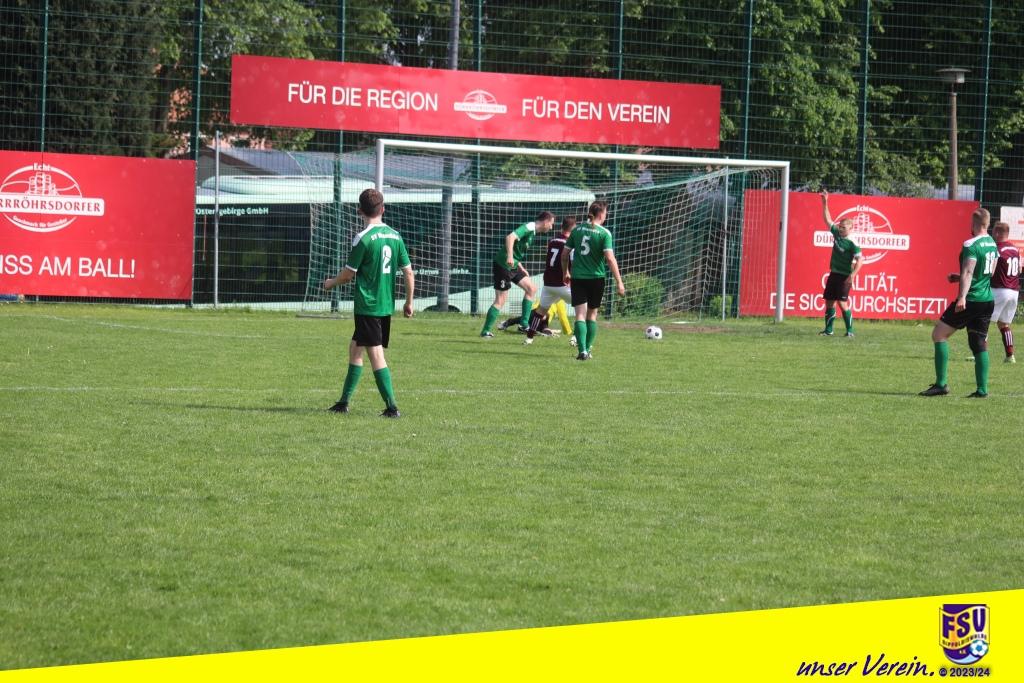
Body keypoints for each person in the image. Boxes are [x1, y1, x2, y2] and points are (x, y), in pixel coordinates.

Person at [323, 188, 414, 417]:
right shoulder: (396, 236)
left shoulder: (363, 238)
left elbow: (348, 275)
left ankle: (392, 407)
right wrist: (408, 302)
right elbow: (408, 272)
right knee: (355, 348)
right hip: (385, 305)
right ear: (383, 209)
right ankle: (343, 403)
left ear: (359, 211)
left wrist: (331, 283)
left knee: (375, 355)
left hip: (368, 305)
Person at [920, 208, 998, 398]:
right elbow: (989, 273)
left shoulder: (970, 244)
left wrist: (962, 296)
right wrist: (959, 277)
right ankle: (982, 390)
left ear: (974, 224)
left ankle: (941, 384)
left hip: (971, 299)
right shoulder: (992, 243)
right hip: (987, 300)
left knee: (939, 334)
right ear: (988, 223)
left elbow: (969, 272)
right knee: (978, 342)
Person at [561, 200, 625, 360]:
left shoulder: (576, 230)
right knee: (592, 315)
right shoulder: (604, 233)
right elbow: (610, 258)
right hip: (596, 278)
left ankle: (582, 351)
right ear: (601, 214)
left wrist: (565, 272)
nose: (606, 215)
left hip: (578, 278)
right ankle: (588, 349)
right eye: (606, 212)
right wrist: (619, 281)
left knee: (580, 315)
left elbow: (564, 255)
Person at [479, 211, 555, 337]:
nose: (551, 227)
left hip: (513, 266)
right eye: (551, 224)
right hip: (503, 265)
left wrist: (521, 267)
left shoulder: (533, 232)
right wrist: (509, 257)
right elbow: (510, 237)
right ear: (545, 222)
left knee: (531, 288)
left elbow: (516, 250)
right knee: (500, 300)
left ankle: (523, 325)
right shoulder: (529, 227)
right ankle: (485, 331)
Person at [524, 216, 578, 346]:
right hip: (563, 284)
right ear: (573, 229)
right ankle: (576, 337)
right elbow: (572, 262)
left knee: (540, 311)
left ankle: (529, 339)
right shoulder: (570, 244)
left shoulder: (552, 241)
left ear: (562, 227)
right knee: (583, 307)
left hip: (548, 284)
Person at [819, 191, 863, 337]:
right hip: (834, 273)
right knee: (829, 302)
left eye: (844, 227)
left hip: (845, 276)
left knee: (842, 304)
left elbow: (860, 260)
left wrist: (853, 275)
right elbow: (827, 219)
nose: (841, 229)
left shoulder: (852, 242)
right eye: (840, 226)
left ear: (850, 229)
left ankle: (850, 331)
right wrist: (825, 202)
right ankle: (828, 330)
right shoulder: (837, 233)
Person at [990, 221, 1020, 363]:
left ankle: (979, 352)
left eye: (993, 231)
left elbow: (991, 270)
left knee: (983, 321)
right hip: (1014, 292)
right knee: (1004, 324)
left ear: (997, 233)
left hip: (999, 289)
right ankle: (1010, 356)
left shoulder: (997, 249)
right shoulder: (1015, 249)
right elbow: (1019, 269)